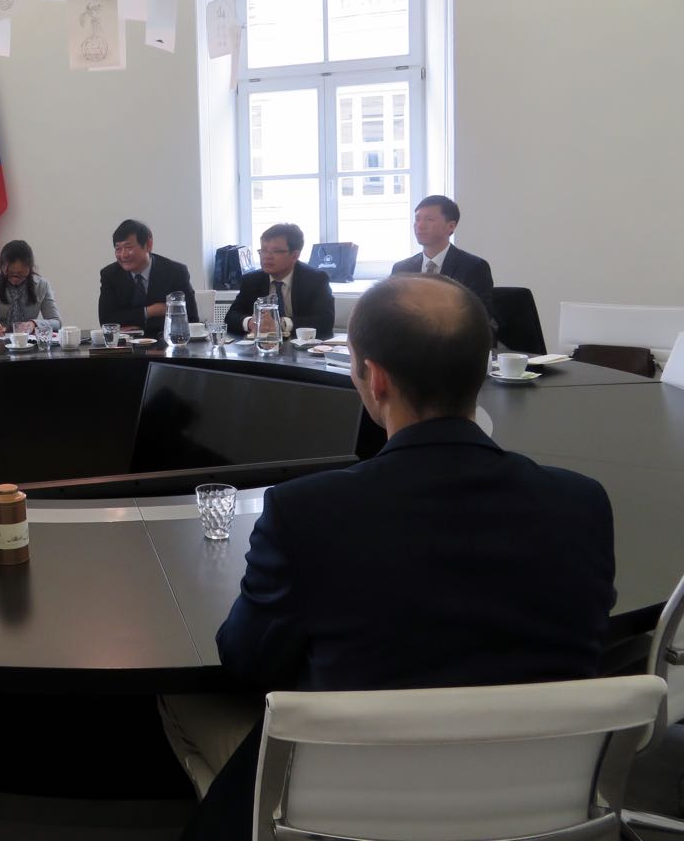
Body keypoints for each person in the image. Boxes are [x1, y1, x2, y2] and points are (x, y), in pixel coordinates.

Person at [165, 275, 616, 838]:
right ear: (482, 370)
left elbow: (245, 662)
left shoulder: (305, 513)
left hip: (347, 805)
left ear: (374, 378)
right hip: (536, 802)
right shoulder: (581, 503)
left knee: (177, 698)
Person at [391, 194, 495, 323]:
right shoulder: (401, 269)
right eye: (417, 219)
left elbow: (480, 317)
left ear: (451, 226)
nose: (420, 225)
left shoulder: (474, 267)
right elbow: (391, 313)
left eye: (429, 219)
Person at [223, 223, 335, 338]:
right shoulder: (251, 280)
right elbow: (231, 317)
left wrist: (281, 324)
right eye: (263, 250)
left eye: (276, 251)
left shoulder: (315, 279)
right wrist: (251, 322)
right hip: (261, 345)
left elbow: (325, 321)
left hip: (300, 345)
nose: (267, 256)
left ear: (294, 255)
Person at [97, 219, 198, 338]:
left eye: (128, 247)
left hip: (166, 343)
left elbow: (191, 319)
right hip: (125, 346)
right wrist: (150, 311)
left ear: (148, 245)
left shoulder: (175, 272)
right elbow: (107, 321)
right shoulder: (110, 275)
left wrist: (134, 323)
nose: (123, 255)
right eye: (118, 249)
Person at [0, 240, 62, 336]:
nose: (15, 279)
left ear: (29, 268)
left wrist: (35, 324)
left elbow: (57, 322)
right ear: (2, 267)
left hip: (28, 342)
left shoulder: (41, 285)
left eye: (20, 274)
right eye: (10, 273)